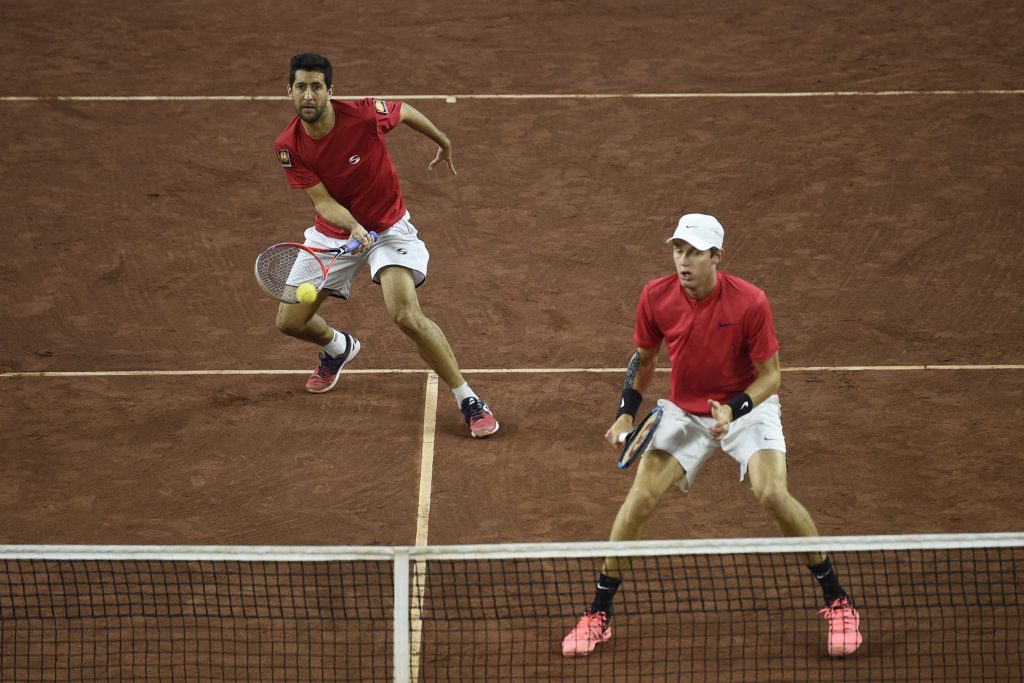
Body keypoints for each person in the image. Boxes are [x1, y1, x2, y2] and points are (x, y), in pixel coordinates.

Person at [561, 213, 862, 657]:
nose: (683, 261)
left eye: (695, 253)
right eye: (678, 250)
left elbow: (771, 377)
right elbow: (643, 361)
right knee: (639, 499)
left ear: (717, 256)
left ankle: (838, 601)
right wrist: (626, 413)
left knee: (773, 494)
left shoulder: (750, 302)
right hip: (684, 412)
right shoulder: (655, 295)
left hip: (746, 408)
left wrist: (735, 409)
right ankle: (599, 613)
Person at [272, 53, 498, 438]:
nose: (307, 95)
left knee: (406, 315)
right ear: (289, 91)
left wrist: (442, 139)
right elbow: (323, 201)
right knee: (289, 322)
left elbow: (404, 111)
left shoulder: (362, 116)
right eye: (300, 87)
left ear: (330, 92)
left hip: (389, 228)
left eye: (316, 87)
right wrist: (353, 226)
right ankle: (338, 347)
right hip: (333, 234)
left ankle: (469, 399)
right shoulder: (288, 146)